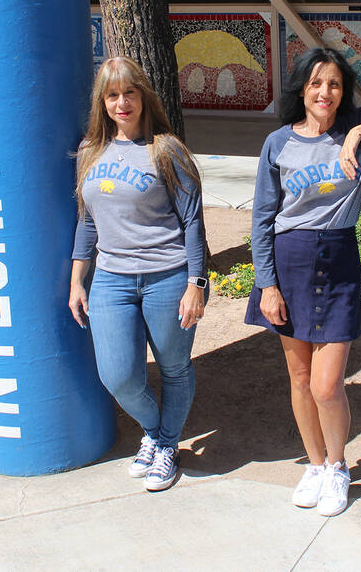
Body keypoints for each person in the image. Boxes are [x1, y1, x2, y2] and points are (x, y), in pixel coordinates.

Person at [245, 48, 361, 517]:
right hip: (288, 265)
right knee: (301, 380)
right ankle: (315, 463)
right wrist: (267, 284)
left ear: (343, 92)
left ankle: (339, 466)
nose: (324, 93)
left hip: (338, 261)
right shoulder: (278, 143)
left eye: (334, 84)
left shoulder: (357, 134)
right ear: (301, 89)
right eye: (315, 83)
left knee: (328, 385)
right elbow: (263, 218)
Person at [68, 56, 207, 493]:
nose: (122, 102)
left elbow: (193, 222)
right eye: (112, 95)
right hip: (111, 278)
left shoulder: (166, 150)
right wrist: (76, 280)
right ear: (102, 102)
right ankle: (156, 430)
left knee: (173, 368)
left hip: (168, 276)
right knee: (118, 376)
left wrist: (196, 285)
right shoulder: (90, 152)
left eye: (129, 92)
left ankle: (166, 446)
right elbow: (87, 221)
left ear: (143, 96)